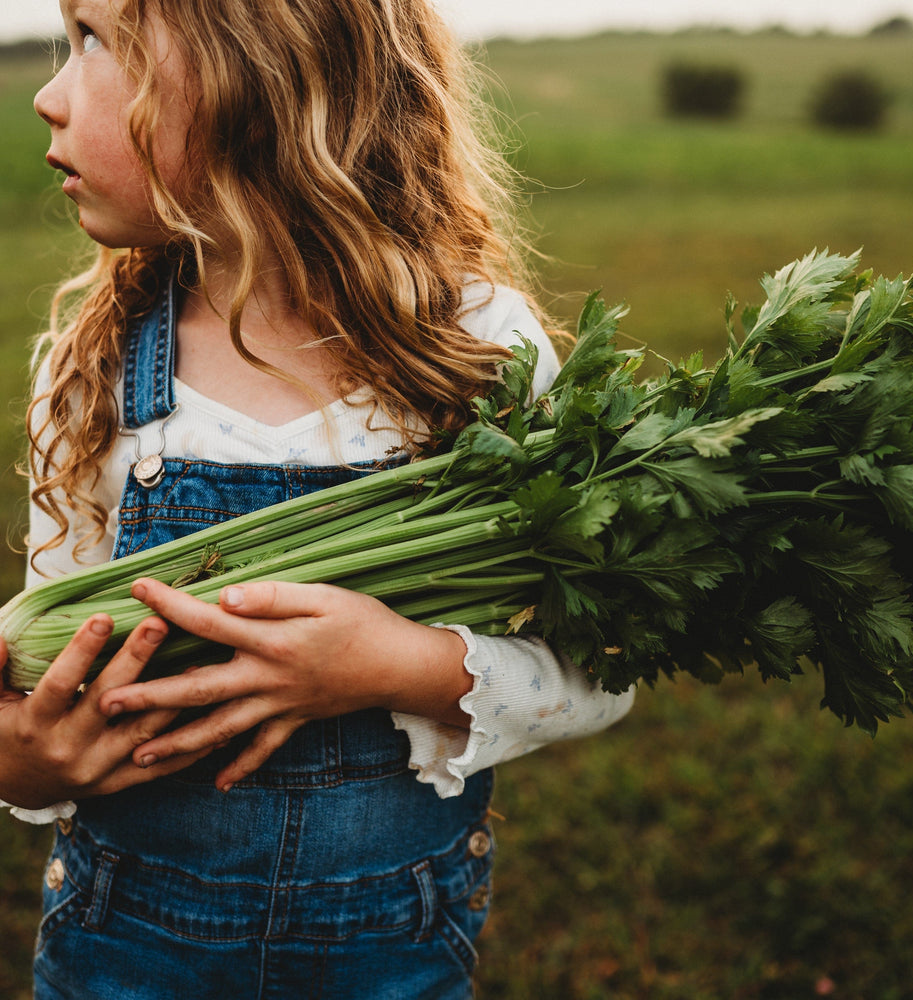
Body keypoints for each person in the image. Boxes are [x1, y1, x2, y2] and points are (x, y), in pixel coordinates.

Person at [0, 1, 635, 997]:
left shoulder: (478, 356)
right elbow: (45, 689)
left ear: (266, 73)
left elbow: (599, 670)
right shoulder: (96, 374)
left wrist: (394, 663)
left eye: (99, 40)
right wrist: (25, 759)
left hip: (391, 940)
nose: (48, 93)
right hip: (126, 935)